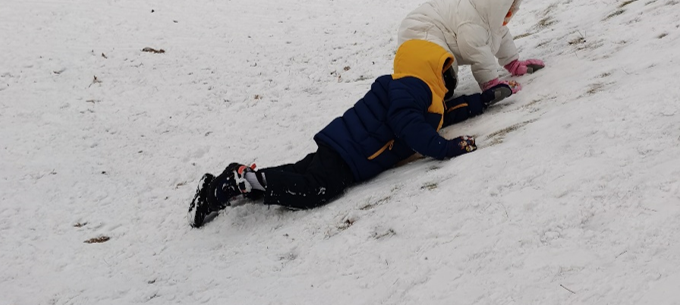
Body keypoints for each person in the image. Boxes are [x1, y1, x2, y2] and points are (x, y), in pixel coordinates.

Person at [188, 39, 516, 228]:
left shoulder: (414, 93)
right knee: (315, 189)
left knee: (295, 174)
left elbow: (441, 115)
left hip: (341, 145)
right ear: (431, 71)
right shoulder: (411, 90)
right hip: (350, 156)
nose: (450, 83)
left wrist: (482, 101)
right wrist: (447, 149)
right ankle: (243, 182)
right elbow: (411, 128)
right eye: (448, 75)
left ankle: (225, 183)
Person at [397, 0, 544, 95]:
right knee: (440, 64)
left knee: (444, 69)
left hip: (438, 25)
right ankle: (431, 88)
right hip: (421, 26)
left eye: (514, 4)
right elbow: (477, 52)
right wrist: (490, 83)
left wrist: (513, 63)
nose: (511, 10)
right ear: (493, 1)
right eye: (507, 5)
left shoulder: (490, 18)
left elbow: (501, 37)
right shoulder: (471, 21)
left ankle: (437, 85)